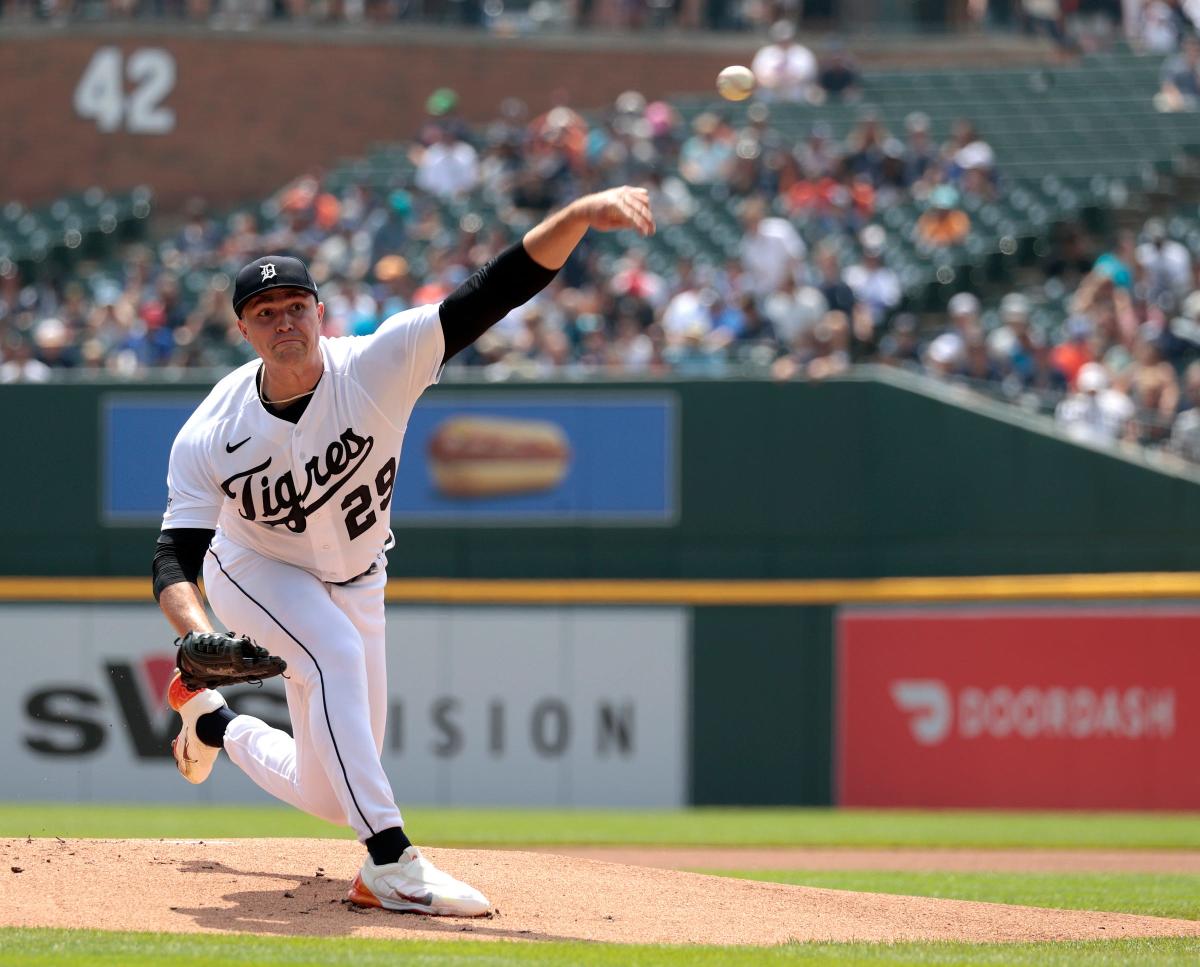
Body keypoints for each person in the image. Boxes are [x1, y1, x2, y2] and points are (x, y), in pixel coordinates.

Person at [151, 187, 655, 916]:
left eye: (297, 305)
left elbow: (494, 290)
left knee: (330, 791)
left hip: (358, 576)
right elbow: (175, 555)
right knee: (332, 654)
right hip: (257, 569)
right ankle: (390, 861)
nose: (284, 320)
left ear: (320, 311)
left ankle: (214, 722)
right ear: (243, 329)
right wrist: (195, 630)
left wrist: (575, 219)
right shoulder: (211, 431)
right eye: (266, 313)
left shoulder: (378, 363)